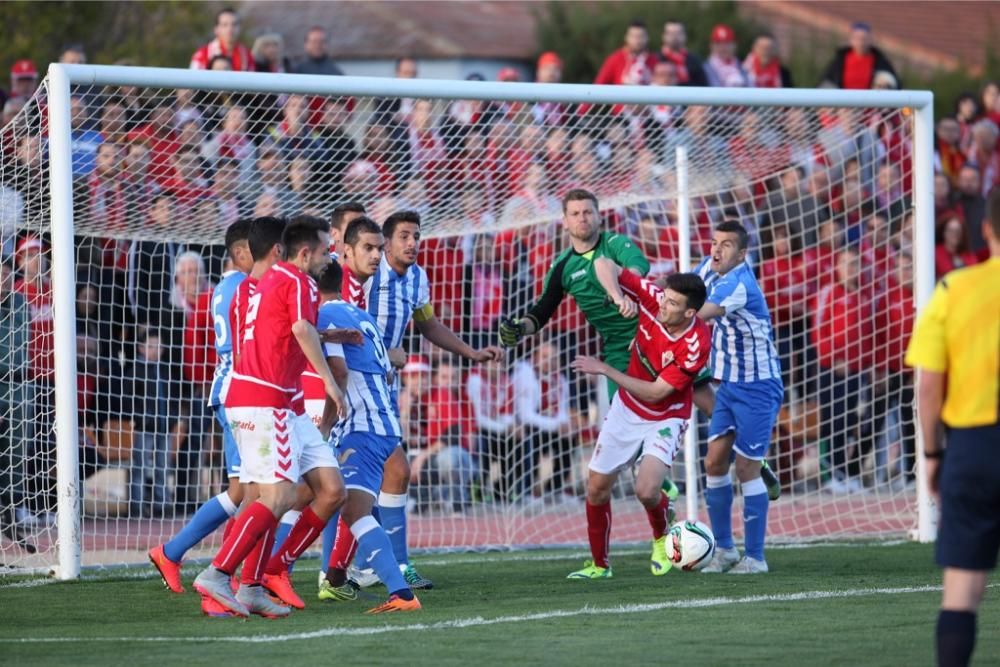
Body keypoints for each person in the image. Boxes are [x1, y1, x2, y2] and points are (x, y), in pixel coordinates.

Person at [325, 211, 503, 592]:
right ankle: (363, 566)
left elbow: (427, 324)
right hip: (355, 385)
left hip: (385, 387)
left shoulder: (418, 278)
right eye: (404, 236)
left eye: (416, 236)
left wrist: (469, 353)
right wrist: (385, 353)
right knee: (367, 476)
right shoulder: (365, 277)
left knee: (365, 480)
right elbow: (338, 323)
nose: (412, 243)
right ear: (385, 244)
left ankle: (355, 566)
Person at [192, 217, 346, 619]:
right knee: (274, 496)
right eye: (327, 247)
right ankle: (221, 573)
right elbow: (299, 327)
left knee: (330, 488)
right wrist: (328, 381)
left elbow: (266, 338)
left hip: (275, 400)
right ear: (302, 252)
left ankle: (262, 578)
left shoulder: (252, 288)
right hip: (266, 401)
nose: (330, 255)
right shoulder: (297, 281)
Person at [904, 188, 1000, 667]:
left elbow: (928, 386)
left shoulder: (953, 289)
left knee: (961, 590)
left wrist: (934, 454)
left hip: (975, 448)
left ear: (986, 229)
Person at [567, 260, 710, 578]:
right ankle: (600, 566)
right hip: (626, 410)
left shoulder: (695, 342)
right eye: (665, 296)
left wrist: (606, 369)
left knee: (645, 491)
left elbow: (658, 393)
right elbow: (604, 264)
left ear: (689, 313)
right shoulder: (653, 298)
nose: (663, 303)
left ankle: (661, 539)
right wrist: (618, 296)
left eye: (672, 302)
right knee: (597, 489)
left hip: (666, 416)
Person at [148, 219, 254, 593]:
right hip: (242, 394)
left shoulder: (223, 289)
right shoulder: (242, 286)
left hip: (229, 390)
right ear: (242, 252)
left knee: (243, 490)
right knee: (261, 490)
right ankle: (227, 573)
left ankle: (175, 552)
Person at [312, 262, 421, 613]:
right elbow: (385, 372)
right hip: (385, 421)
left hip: (361, 425)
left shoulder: (325, 313)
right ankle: (336, 578)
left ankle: (401, 593)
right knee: (352, 503)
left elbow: (340, 373)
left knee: (352, 508)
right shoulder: (361, 316)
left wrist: (326, 425)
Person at [695, 221, 784, 574]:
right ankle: (725, 551)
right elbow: (685, 289)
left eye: (727, 245)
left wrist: (657, 320)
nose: (717, 250)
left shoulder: (738, 284)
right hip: (729, 385)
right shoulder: (710, 267)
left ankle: (756, 557)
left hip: (758, 387)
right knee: (715, 462)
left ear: (742, 253)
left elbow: (697, 315)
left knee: (745, 467)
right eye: (715, 243)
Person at [820, 22, 898, 90]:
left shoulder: (880, 62)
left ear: (870, 39)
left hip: (870, 104)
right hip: (843, 104)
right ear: (851, 39)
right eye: (857, 38)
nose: (861, 42)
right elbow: (827, 82)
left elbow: (895, 85)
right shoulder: (840, 60)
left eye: (864, 38)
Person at [593, 20, 658, 86]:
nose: (637, 40)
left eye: (641, 36)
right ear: (626, 37)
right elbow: (599, 85)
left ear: (647, 38)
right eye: (634, 36)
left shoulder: (655, 60)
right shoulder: (615, 59)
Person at [190, 7, 254, 71]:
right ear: (216, 29)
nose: (230, 29)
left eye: (234, 24)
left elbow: (251, 79)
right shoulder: (202, 55)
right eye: (224, 25)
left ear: (240, 28)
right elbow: (193, 79)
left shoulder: (247, 55)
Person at [659, 20, 709, 87]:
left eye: (678, 33)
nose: (675, 37)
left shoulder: (695, 61)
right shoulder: (656, 59)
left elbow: (703, 86)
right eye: (671, 33)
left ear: (685, 35)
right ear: (663, 36)